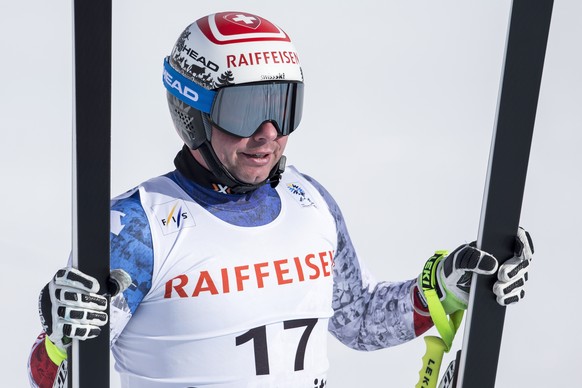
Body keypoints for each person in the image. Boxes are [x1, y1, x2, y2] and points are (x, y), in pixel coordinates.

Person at [27, 11, 534, 388]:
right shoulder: (137, 229)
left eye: (282, 106)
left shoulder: (308, 202)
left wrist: (445, 289)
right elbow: (53, 377)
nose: (268, 134)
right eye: (246, 109)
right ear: (193, 112)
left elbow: (353, 318)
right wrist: (57, 342)